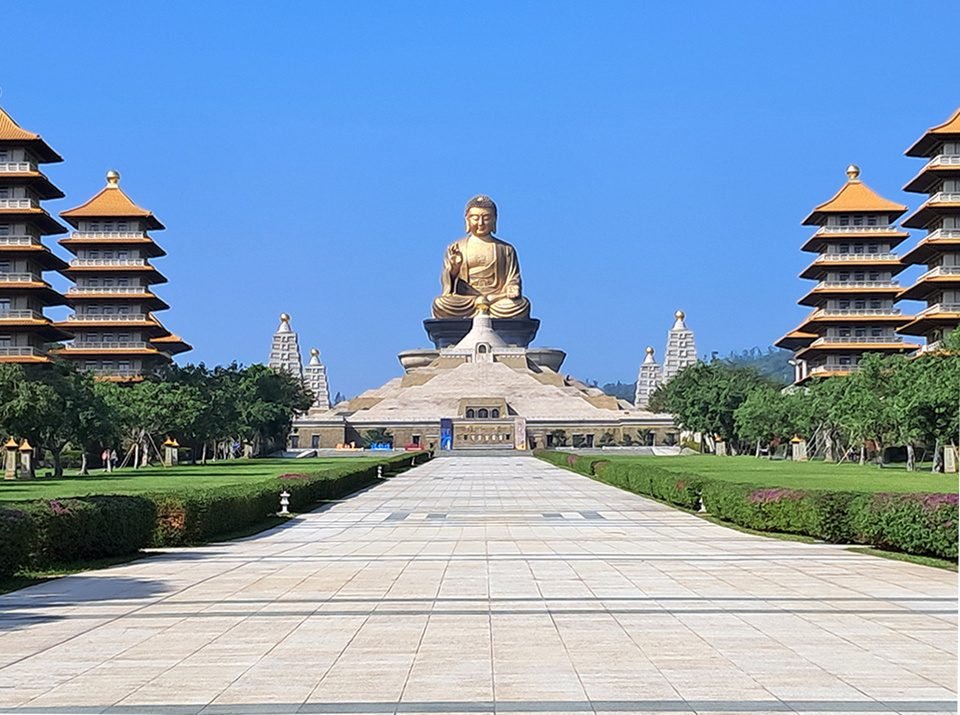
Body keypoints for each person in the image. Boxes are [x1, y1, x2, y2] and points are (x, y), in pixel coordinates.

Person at [432, 195, 531, 319]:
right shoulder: (457, 247)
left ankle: (485, 306)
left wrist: (513, 287)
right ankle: (481, 307)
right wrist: (454, 269)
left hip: (496, 299)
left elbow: (513, 277)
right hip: (467, 300)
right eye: (475, 218)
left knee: (522, 304)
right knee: (441, 304)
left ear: (494, 220)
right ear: (467, 220)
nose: (480, 223)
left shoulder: (506, 249)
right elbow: (448, 287)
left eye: (486, 218)